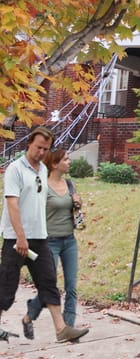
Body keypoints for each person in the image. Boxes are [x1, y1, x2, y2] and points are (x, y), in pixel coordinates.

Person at [0, 127, 88, 342]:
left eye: (46, 149)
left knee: (48, 281)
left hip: (40, 238)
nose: (41, 152)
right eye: (38, 147)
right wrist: (20, 237)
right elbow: (12, 205)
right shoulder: (15, 169)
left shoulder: (42, 170)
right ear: (29, 143)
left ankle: (61, 329)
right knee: (6, 286)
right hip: (16, 239)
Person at [23, 149, 82, 337]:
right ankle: (30, 314)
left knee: (71, 286)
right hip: (50, 242)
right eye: (65, 159)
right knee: (50, 284)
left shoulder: (70, 184)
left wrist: (77, 203)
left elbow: (73, 212)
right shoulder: (43, 187)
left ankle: (69, 326)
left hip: (69, 241)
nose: (69, 162)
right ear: (54, 164)